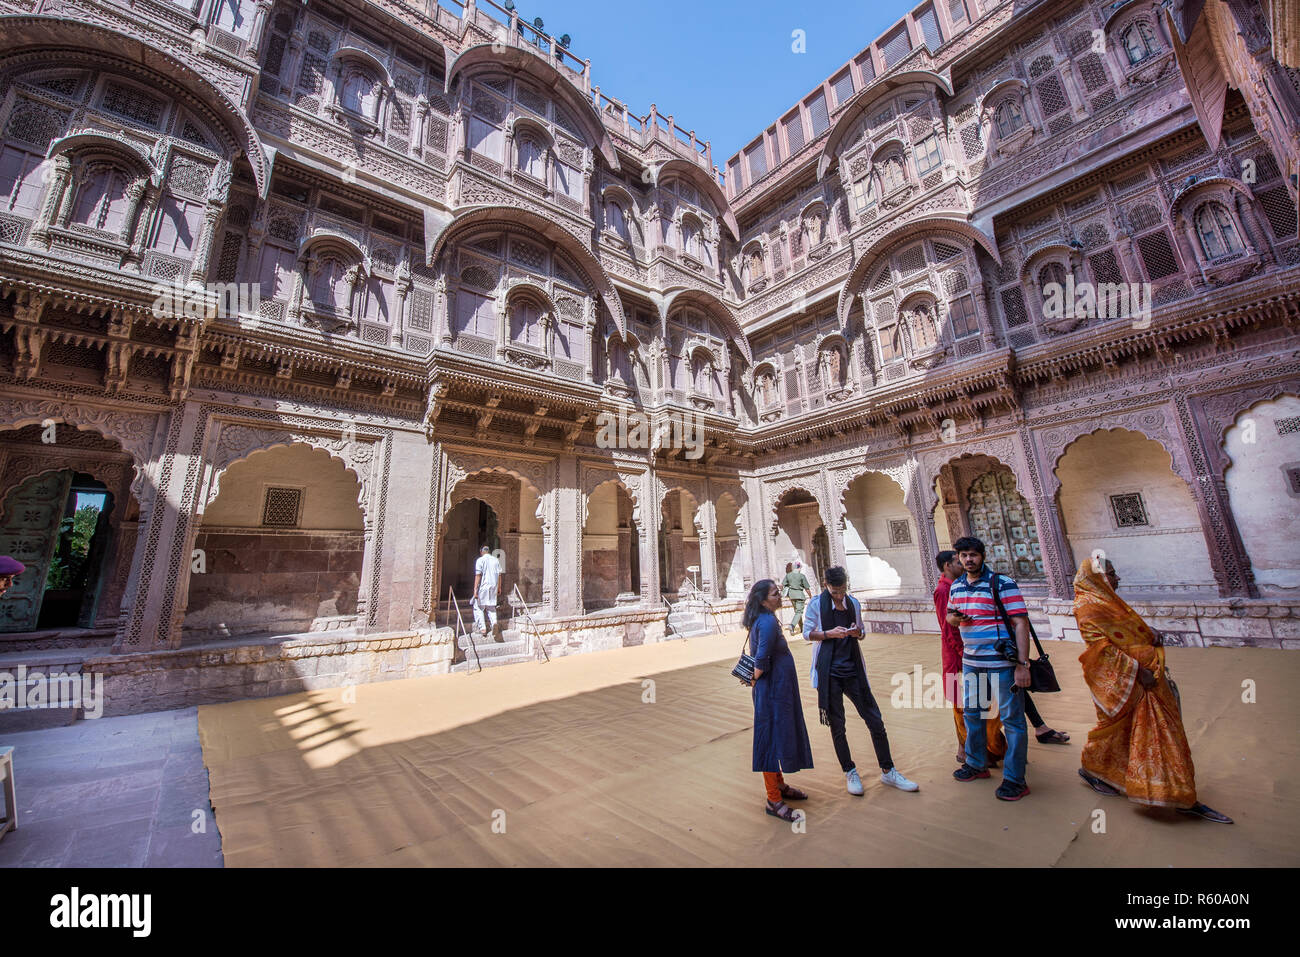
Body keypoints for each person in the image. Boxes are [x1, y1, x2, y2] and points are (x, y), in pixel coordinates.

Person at [1074, 558, 1232, 823]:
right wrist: (1138, 671)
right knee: (1160, 734)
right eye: (1111, 574)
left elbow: (1128, 630)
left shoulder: (1110, 600)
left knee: (1128, 732)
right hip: (1128, 679)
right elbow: (1102, 648)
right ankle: (1178, 794)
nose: (1117, 579)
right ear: (1099, 578)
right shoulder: (1088, 606)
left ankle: (1096, 769)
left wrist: (1150, 632)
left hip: (1146, 676)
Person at [805, 565, 919, 795]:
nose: (839, 595)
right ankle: (849, 771)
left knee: (875, 720)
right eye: (835, 591)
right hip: (830, 672)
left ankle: (888, 770)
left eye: (842, 590)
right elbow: (808, 632)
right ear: (826, 586)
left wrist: (857, 632)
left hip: (852, 667)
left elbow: (861, 631)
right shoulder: (816, 604)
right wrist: (829, 634)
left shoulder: (853, 603)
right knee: (838, 725)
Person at [945, 536, 1034, 801]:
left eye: (973, 555)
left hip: (1002, 664)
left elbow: (1020, 623)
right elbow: (950, 616)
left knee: (1012, 720)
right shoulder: (957, 586)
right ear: (958, 558)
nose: (968, 560)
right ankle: (976, 763)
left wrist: (1022, 664)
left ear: (982, 556)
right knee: (972, 712)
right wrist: (954, 617)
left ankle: (1015, 779)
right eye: (963, 556)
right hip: (972, 662)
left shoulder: (1002, 583)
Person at [742, 578, 814, 822]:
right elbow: (761, 660)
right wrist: (754, 680)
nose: (779, 595)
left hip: (776, 689)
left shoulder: (763, 620)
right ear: (763, 600)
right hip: (772, 690)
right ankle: (774, 799)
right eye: (774, 593)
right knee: (771, 740)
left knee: (777, 735)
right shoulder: (768, 622)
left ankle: (780, 785)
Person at [934, 550, 1005, 767]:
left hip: (971, 654)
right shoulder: (945, 590)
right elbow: (949, 629)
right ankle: (976, 748)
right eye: (958, 561)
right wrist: (963, 655)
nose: (963, 564)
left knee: (979, 703)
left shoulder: (959, 586)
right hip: (960, 657)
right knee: (965, 705)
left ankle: (982, 748)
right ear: (948, 565)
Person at [471, 545, 502, 637]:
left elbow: (478, 575)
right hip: (494, 586)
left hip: (483, 586)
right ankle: (494, 623)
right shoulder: (496, 560)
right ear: (489, 551)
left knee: (479, 607)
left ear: (481, 552)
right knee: (491, 607)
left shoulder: (480, 560)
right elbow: (499, 575)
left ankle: (483, 628)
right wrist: (499, 587)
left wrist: (475, 589)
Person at [781, 560, 812, 635]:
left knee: (797, 612)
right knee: (799, 612)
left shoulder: (788, 575)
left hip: (792, 596)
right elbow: (807, 588)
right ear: (799, 568)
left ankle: (802, 628)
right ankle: (792, 626)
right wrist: (811, 596)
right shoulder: (801, 576)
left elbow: (782, 585)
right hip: (800, 596)